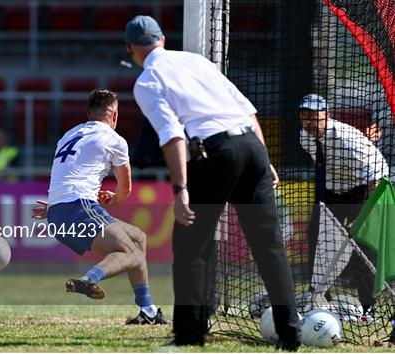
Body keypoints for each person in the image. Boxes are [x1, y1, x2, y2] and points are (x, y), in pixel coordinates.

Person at [124, 15, 300, 348]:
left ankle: (189, 336)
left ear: (133, 49)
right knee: (270, 248)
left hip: (216, 151)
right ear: (161, 39)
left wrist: (180, 189)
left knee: (192, 248)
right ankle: (290, 334)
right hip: (251, 145)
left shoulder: (148, 80)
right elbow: (248, 110)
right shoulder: (196, 61)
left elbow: (173, 134)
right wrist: (264, 160)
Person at [39, 89, 170, 325]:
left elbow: (64, 175)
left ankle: (148, 311)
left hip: (58, 211)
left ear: (89, 113)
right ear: (115, 116)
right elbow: (125, 187)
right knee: (132, 254)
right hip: (79, 207)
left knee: (138, 238)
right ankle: (89, 279)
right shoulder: (113, 139)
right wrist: (115, 198)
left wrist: (53, 208)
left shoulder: (68, 134)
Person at [299, 93, 389, 315]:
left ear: (327, 116)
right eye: (304, 116)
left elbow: (377, 173)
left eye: (314, 117)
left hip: (363, 191)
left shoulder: (346, 139)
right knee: (317, 239)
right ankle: (319, 299)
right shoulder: (305, 137)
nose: (309, 122)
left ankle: (368, 308)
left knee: (362, 249)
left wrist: (364, 214)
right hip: (333, 193)